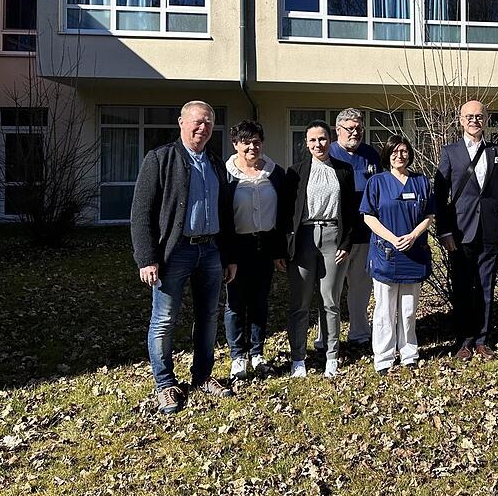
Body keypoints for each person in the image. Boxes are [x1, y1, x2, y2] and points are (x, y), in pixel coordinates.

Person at [130, 100, 236, 414]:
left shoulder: (215, 163)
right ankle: (165, 384)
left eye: (208, 123)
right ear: (181, 122)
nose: (203, 128)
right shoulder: (160, 159)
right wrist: (146, 257)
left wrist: (229, 256)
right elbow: (141, 213)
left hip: (211, 251)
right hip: (174, 253)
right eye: (197, 121)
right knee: (164, 319)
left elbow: (225, 213)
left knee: (208, 317)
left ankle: (202, 376)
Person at [434, 100, 498, 361]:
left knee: (486, 287)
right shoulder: (450, 152)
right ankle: (464, 341)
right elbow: (440, 196)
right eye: (469, 116)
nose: (474, 121)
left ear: (486, 119)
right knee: (462, 288)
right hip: (460, 232)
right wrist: (444, 232)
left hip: (490, 231)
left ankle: (482, 340)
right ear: (461, 120)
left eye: (479, 116)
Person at [282, 120, 356, 378]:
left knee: (331, 302)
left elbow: (351, 211)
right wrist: (284, 248)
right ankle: (298, 359)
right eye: (312, 140)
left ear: (330, 140)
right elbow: (286, 213)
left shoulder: (344, 170)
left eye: (322, 139)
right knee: (300, 303)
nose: (318, 144)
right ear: (306, 143)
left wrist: (346, 243)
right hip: (304, 238)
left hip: (334, 237)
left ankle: (332, 356)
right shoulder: (295, 172)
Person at [360, 135, 435, 375]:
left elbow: (429, 215)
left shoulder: (421, 182)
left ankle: (409, 353)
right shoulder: (377, 182)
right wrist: (393, 239)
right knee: (384, 309)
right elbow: (368, 216)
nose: (399, 155)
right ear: (387, 155)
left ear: (410, 154)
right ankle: (383, 357)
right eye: (394, 151)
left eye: (403, 151)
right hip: (386, 253)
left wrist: (413, 236)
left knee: (409, 309)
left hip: (414, 252)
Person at [223, 120, 286, 379]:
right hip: (237, 246)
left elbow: (283, 214)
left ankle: (257, 352)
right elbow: (222, 217)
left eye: (257, 142)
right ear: (235, 144)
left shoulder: (274, 172)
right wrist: (228, 256)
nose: (252, 147)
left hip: (265, 245)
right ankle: (238, 356)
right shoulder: (226, 174)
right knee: (235, 303)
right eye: (246, 142)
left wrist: (279, 250)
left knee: (260, 300)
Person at [328, 108, 380, 351]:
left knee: (361, 289)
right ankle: (327, 338)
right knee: (331, 291)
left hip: (365, 234)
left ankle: (359, 333)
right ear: (338, 130)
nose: (355, 133)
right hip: (336, 237)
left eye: (359, 128)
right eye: (350, 128)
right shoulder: (328, 154)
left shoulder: (371, 155)